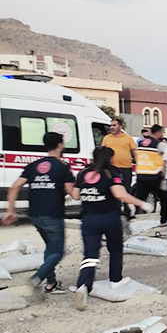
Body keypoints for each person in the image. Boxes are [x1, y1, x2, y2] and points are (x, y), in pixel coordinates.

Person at [71, 147, 152, 311]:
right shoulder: (110, 172)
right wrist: (141, 203)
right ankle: (115, 280)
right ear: (110, 158)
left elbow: (75, 195)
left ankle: (83, 286)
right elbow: (120, 194)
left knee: (90, 255)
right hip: (110, 217)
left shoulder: (83, 173)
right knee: (115, 249)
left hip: (88, 219)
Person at [2, 132, 75, 294]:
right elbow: (71, 191)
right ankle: (38, 278)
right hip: (53, 213)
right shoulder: (62, 166)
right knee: (58, 252)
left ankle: (51, 283)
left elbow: (14, 187)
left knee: (50, 248)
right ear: (60, 145)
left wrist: (11, 210)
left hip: (35, 214)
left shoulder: (33, 165)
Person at [101, 118, 137, 221]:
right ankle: (114, 211)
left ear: (120, 126)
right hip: (111, 169)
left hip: (126, 168)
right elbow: (103, 152)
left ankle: (127, 212)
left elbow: (134, 152)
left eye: (114, 125)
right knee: (112, 190)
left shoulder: (128, 138)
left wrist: (138, 164)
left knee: (126, 189)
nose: (111, 127)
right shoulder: (107, 138)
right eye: (111, 125)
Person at [134, 124, 167, 225]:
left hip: (141, 174)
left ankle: (132, 218)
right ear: (158, 132)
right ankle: (164, 220)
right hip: (155, 175)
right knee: (164, 199)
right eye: (162, 132)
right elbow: (165, 162)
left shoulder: (140, 143)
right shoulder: (160, 145)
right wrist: (164, 177)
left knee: (139, 199)